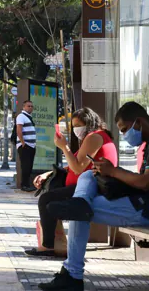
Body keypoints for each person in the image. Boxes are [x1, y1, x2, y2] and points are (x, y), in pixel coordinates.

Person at [38, 102, 149, 290]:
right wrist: (109, 172)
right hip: (139, 202)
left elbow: (146, 182)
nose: (125, 135)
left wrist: (114, 171)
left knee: (78, 211)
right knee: (86, 179)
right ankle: (80, 201)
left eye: (125, 129)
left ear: (138, 122)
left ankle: (72, 276)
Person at [25, 107, 118, 257]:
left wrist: (64, 147)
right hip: (84, 185)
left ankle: (48, 245)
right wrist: (47, 173)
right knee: (49, 196)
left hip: (91, 187)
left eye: (78, 125)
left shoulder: (94, 137)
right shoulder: (93, 137)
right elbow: (72, 165)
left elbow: (78, 168)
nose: (76, 130)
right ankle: (53, 242)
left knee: (46, 199)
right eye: (73, 126)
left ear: (89, 123)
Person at [16, 100, 37, 192]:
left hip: (31, 146)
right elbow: (19, 130)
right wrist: (23, 143)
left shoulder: (29, 117)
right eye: (28, 106)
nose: (30, 108)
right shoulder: (21, 116)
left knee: (29, 166)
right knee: (25, 166)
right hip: (25, 145)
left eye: (32, 106)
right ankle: (24, 185)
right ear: (24, 107)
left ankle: (27, 184)